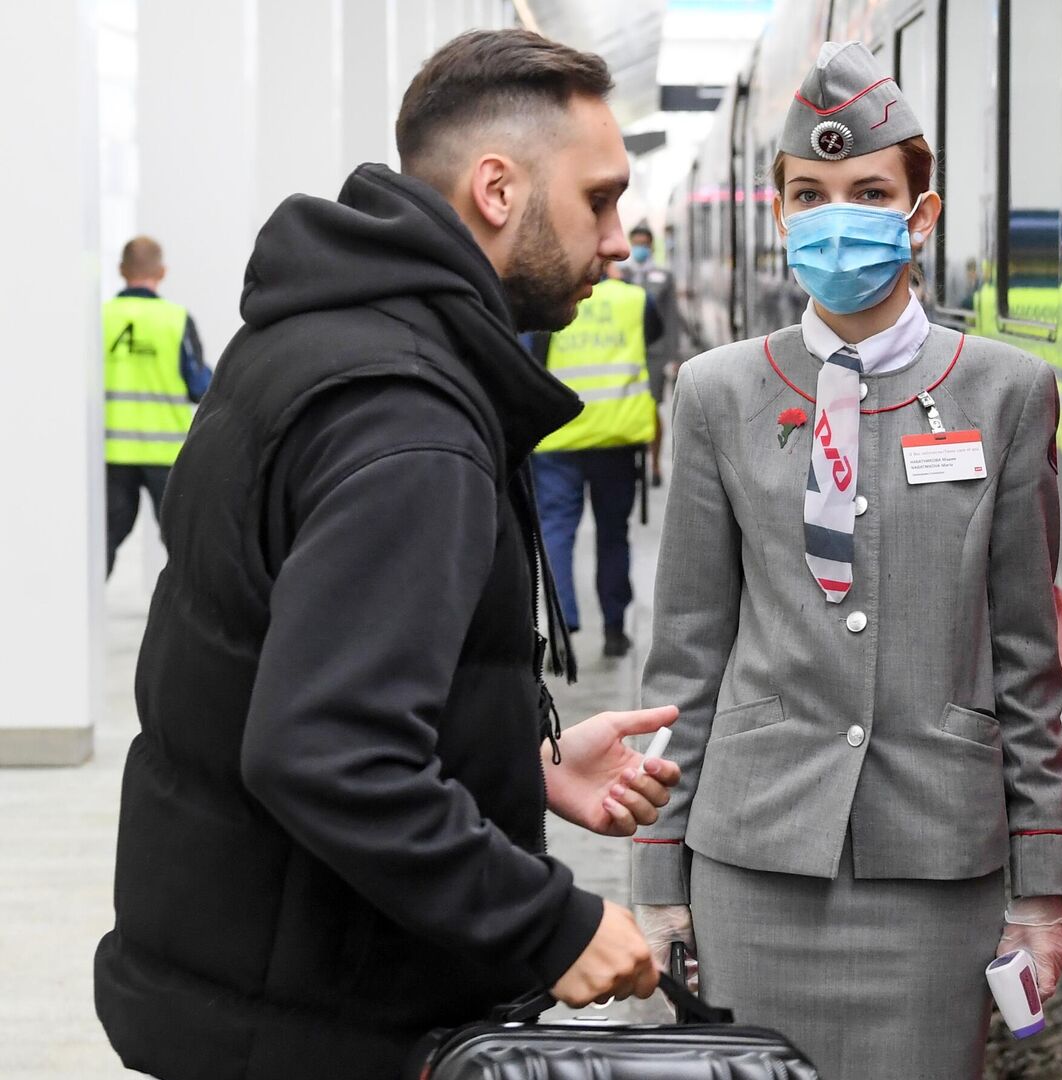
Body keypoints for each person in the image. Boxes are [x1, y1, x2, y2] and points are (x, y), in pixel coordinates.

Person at [94, 31, 684, 1080]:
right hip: (318, 1020)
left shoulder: (319, 337)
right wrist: (551, 923)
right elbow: (325, 749)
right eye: (598, 200)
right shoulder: (409, 422)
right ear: (497, 189)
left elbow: (295, 660)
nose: (619, 241)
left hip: (241, 981)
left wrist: (520, 756)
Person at [631, 42, 1062, 1080]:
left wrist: (1043, 886)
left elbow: (1026, 656)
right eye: (812, 194)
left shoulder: (1004, 392)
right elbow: (686, 658)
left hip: (935, 865)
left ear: (919, 218)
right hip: (752, 858)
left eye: (869, 192)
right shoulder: (716, 393)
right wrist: (659, 877)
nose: (840, 216)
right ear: (782, 217)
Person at [528, 267, 665, 657]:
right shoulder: (635, 299)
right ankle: (614, 629)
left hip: (557, 434)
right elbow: (652, 338)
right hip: (615, 435)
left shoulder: (547, 295)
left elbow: (531, 357)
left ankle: (560, 623)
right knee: (612, 533)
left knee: (556, 529)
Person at [102, 235, 210, 576]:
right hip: (165, 454)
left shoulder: (100, 318)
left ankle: (79, 620)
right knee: (183, 542)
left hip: (112, 453)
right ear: (161, 272)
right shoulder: (175, 320)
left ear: (121, 270)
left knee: (104, 538)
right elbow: (199, 386)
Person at [620, 223, 681, 487]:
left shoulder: (663, 277)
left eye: (645, 244)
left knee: (653, 407)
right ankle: (630, 461)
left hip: (654, 354)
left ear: (651, 246)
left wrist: (674, 356)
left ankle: (654, 463)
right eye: (636, 243)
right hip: (624, 352)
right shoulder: (619, 274)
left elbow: (671, 319)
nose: (640, 248)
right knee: (625, 408)